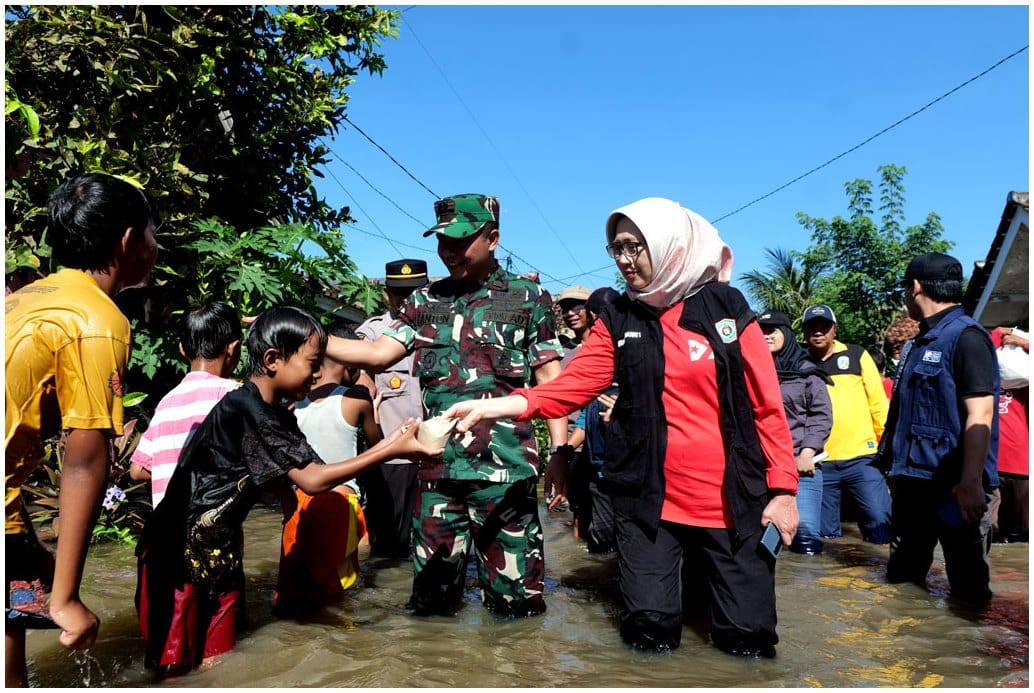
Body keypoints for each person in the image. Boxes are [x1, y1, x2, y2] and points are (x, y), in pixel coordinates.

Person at [444, 197, 799, 658]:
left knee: (746, 644)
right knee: (648, 638)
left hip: (734, 501)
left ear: (671, 244)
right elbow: (571, 386)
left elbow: (766, 407)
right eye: (617, 249)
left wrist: (784, 491)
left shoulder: (725, 308)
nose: (626, 260)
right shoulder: (619, 317)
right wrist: (498, 406)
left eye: (636, 246)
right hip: (648, 504)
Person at [135, 306, 440, 677]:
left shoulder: (278, 413)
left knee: (218, 664)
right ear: (273, 359)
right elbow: (312, 478)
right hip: (174, 555)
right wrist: (389, 448)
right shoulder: (246, 408)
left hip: (220, 549)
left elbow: (307, 475)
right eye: (312, 363)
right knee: (173, 669)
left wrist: (388, 446)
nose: (317, 374)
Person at [324, 193, 569, 619]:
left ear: (492, 238)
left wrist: (560, 454)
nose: (448, 251)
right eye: (442, 242)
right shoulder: (424, 301)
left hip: (506, 475)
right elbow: (379, 353)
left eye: (460, 241)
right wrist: (306, 336)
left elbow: (552, 384)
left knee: (516, 609)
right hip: (437, 475)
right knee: (431, 610)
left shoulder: (528, 298)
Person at [5, 173, 158, 687]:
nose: (157, 247)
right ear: (128, 241)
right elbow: (86, 458)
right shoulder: (95, 319)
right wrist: (67, 598)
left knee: (18, 600)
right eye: (154, 234)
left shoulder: (23, 299)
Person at [880, 252, 999, 604]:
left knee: (967, 584)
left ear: (915, 287)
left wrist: (970, 483)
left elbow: (981, 415)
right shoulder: (919, 343)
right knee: (903, 584)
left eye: (905, 288)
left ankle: (971, 653)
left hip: (953, 491)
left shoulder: (967, 338)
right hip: (914, 488)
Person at [274, 322, 382, 615]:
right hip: (338, 501)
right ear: (351, 365)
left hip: (298, 502)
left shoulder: (293, 403)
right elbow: (377, 447)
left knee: (294, 584)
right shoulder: (357, 398)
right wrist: (376, 409)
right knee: (335, 590)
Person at [129, 301, 243, 508]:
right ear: (234, 348)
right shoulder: (234, 395)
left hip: (165, 529)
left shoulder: (167, 402)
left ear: (182, 349)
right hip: (209, 530)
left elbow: (137, 470)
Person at [355, 259, 429, 559]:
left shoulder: (444, 330)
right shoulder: (373, 333)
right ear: (387, 293)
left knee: (439, 542)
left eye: (414, 292)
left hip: (438, 452)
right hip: (394, 456)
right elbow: (361, 376)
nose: (407, 301)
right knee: (390, 546)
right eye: (400, 294)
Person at [801, 304, 893, 543]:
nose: (818, 332)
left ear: (835, 329)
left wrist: (886, 450)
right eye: (812, 327)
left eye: (825, 327)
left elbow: (878, 405)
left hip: (863, 457)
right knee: (824, 539)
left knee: (880, 525)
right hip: (819, 464)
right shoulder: (799, 363)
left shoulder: (856, 355)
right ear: (804, 331)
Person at [758, 309, 833, 555]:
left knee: (805, 538)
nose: (766, 336)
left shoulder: (807, 371)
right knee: (760, 538)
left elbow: (821, 415)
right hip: (760, 467)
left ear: (787, 334)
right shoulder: (751, 369)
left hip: (801, 466)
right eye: (762, 331)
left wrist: (808, 452)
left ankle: (809, 591)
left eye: (773, 331)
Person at [567, 286, 622, 552]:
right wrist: (563, 449)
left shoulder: (632, 353)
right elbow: (586, 415)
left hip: (623, 464)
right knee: (596, 530)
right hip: (594, 460)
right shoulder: (589, 359)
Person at [988, 326, 1028, 543]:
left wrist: (1022, 342)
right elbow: (982, 350)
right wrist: (999, 333)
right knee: (992, 530)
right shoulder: (986, 379)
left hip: (1021, 465)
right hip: (992, 463)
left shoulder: (1025, 383)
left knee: (1025, 531)